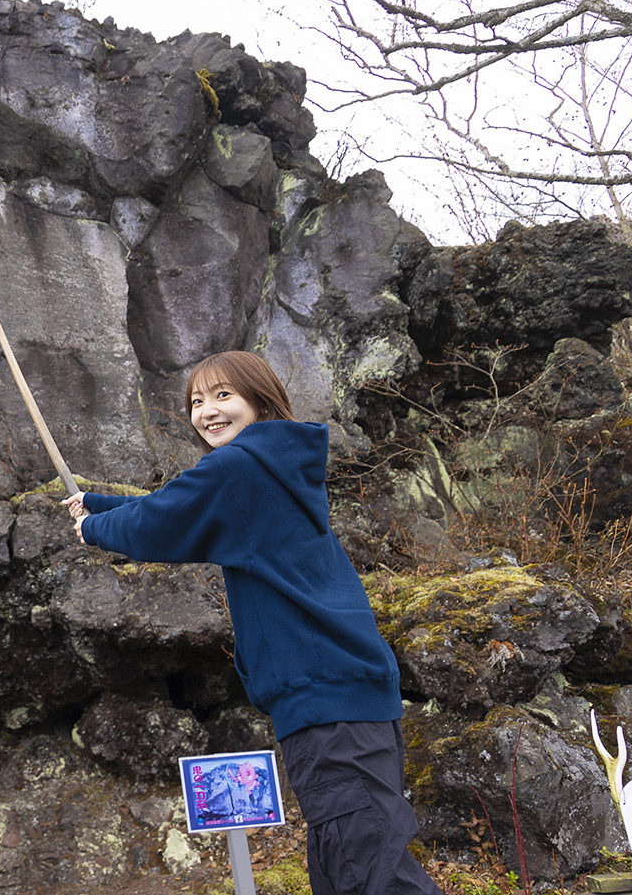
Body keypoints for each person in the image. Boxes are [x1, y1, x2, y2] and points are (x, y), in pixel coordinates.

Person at [61, 350, 440, 895]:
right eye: (196, 401)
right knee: (347, 865)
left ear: (259, 401)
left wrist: (95, 529)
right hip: (341, 699)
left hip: (328, 701)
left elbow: (160, 520)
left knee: (369, 873)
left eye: (223, 396)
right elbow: (177, 504)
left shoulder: (240, 468)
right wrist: (96, 504)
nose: (207, 412)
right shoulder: (270, 467)